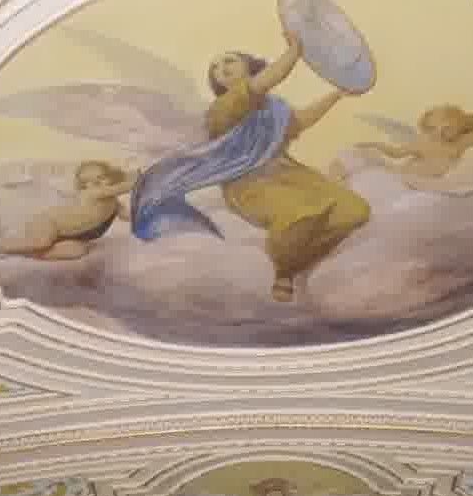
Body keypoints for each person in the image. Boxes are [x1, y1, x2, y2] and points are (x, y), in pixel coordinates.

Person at [132, 30, 370, 302]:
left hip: (291, 176)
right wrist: (294, 51)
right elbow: (268, 80)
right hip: (249, 185)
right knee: (300, 213)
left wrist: (338, 94)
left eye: (229, 61)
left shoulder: (274, 108)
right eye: (215, 68)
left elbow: (302, 121)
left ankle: (302, 259)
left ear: (249, 65)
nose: (221, 68)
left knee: (355, 211)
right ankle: (284, 270)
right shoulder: (224, 107)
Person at [0, 160, 134, 260]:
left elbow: (128, 216)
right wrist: (137, 179)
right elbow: (124, 187)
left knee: (78, 251)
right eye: (89, 182)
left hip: (68, 235)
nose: (96, 184)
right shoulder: (90, 194)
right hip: (50, 223)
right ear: (84, 186)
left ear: (111, 177)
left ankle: (25, 253)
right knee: (42, 241)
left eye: (101, 178)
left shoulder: (114, 203)